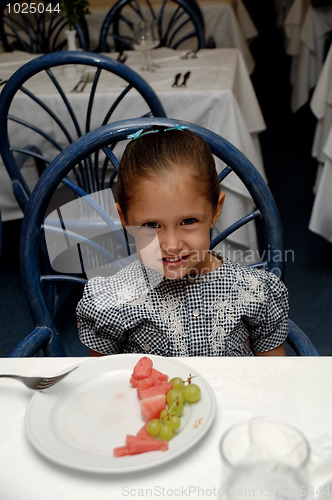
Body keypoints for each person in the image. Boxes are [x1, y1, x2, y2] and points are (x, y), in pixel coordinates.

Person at [76, 126, 288, 357]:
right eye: (151, 225)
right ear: (124, 218)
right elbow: (100, 380)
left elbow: (274, 378)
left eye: (188, 221)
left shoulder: (254, 291)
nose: (172, 245)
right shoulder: (113, 301)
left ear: (215, 210)